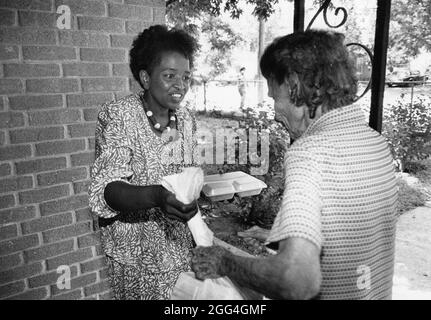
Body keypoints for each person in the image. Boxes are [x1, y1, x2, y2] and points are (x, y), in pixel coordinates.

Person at [191, 30, 398, 300]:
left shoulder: (310, 152)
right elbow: (352, 237)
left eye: (275, 99)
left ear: (293, 85)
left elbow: (297, 280)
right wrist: (284, 236)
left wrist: (224, 262)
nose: (276, 113)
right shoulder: (375, 143)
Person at [88, 25, 200, 300]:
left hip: (178, 249)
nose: (180, 85)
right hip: (136, 257)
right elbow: (108, 189)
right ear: (146, 77)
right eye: (169, 76)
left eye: (186, 77)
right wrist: (157, 195)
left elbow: (187, 175)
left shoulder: (186, 119)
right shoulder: (119, 115)